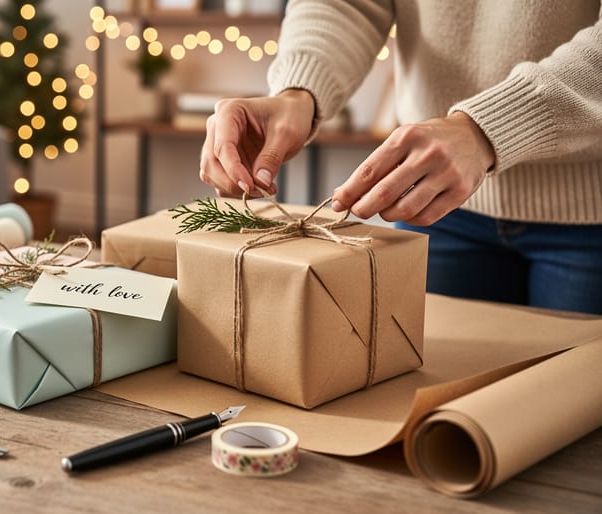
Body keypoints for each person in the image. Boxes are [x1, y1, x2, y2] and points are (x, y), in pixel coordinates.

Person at [200, 0, 602, 315]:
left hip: (590, 218)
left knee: (572, 406)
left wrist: (487, 128)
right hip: (433, 204)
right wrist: (297, 91)